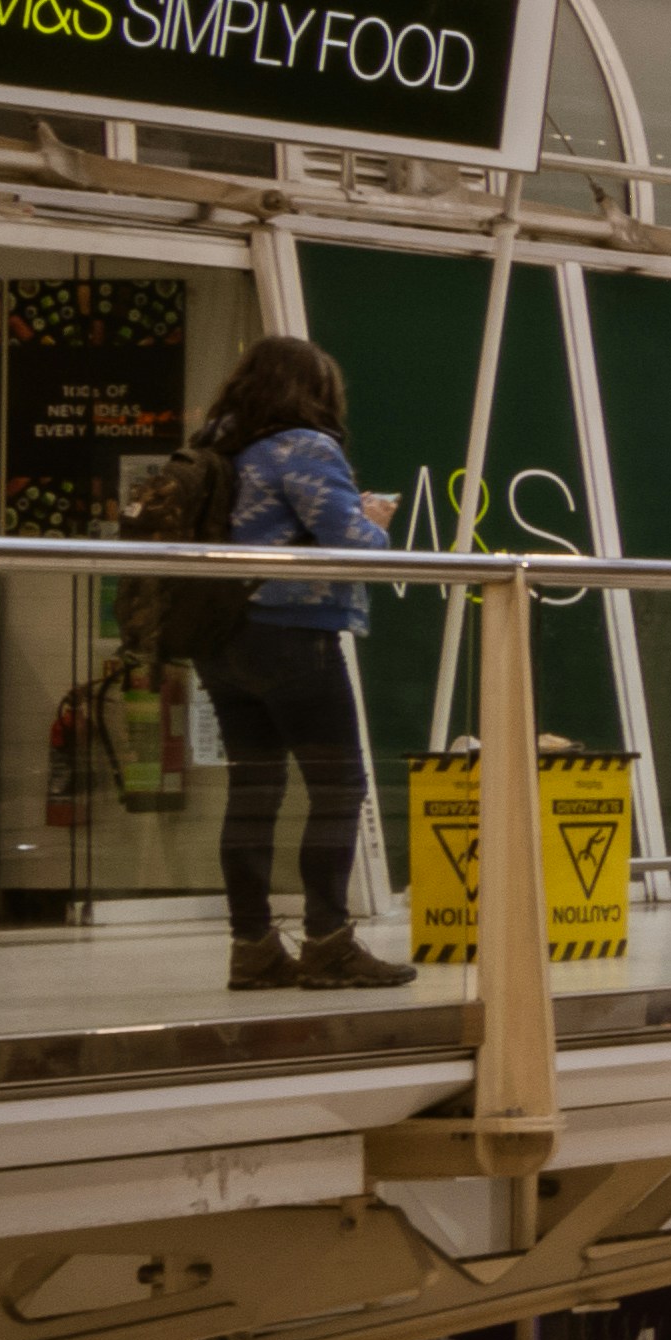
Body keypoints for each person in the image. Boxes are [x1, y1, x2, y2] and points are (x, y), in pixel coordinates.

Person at [174, 331, 400, 990]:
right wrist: (375, 518)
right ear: (313, 393)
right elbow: (351, 541)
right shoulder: (302, 446)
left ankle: (253, 948)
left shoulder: (219, 447)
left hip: (221, 638)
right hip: (293, 634)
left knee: (254, 793)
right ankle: (328, 942)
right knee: (338, 788)